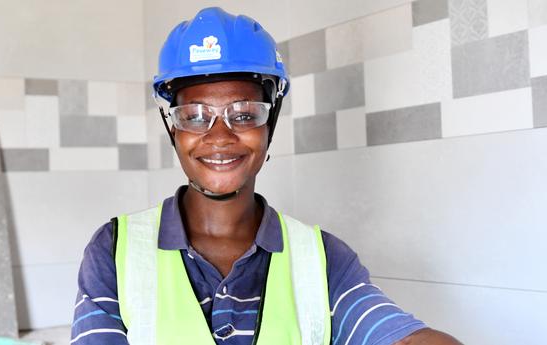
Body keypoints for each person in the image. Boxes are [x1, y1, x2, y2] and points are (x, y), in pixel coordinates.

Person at [71, 7, 461, 345]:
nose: (219, 136)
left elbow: (400, 336)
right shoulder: (115, 250)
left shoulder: (323, 259)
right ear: (173, 128)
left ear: (270, 123)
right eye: (195, 117)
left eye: (244, 114)